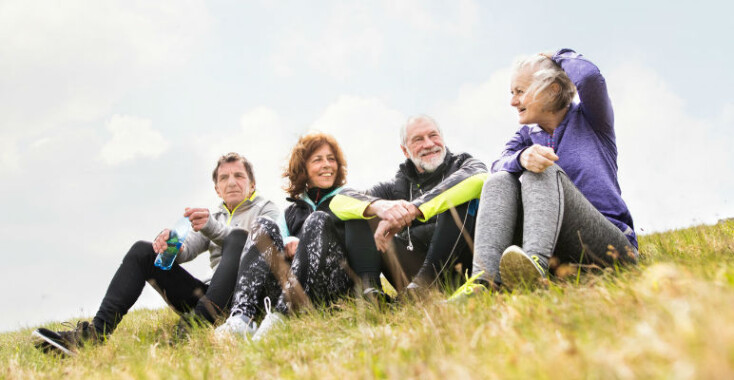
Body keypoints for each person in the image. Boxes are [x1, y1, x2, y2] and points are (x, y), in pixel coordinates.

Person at [32, 152, 279, 355]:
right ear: (217, 188)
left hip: (247, 301)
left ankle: (196, 325)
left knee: (237, 237)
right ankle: (95, 334)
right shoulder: (212, 218)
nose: (232, 182)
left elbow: (258, 244)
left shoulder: (267, 209)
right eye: (224, 178)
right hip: (210, 296)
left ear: (252, 184)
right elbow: (186, 250)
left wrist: (212, 228)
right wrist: (169, 245)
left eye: (239, 175)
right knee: (143, 250)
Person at [470, 48, 638, 292]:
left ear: (552, 89)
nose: (513, 101)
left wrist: (559, 55)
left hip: (610, 246)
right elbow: (498, 164)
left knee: (544, 169)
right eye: (511, 93)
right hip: (561, 252)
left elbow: (590, 78)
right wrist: (521, 157)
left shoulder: (593, 119)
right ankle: (483, 281)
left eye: (520, 92)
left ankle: (535, 267)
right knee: (498, 180)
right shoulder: (526, 136)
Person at [330, 115, 487, 297]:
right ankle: (371, 295)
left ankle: (423, 288)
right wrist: (379, 206)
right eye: (418, 139)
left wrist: (415, 209)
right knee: (360, 209)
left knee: (460, 196)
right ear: (405, 151)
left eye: (433, 135)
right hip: (410, 270)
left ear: (442, 139)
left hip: (459, 267)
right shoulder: (395, 188)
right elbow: (338, 201)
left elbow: (480, 178)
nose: (428, 144)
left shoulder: (464, 164)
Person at [215, 132, 351, 340]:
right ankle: (242, 317)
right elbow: (273, 243)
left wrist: (307, 242)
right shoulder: (290, 213)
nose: (327, 165)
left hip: (333, 286)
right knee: (264, 225)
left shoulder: (348, 198)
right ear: (303, 168)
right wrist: (288, 241)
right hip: (291, 287)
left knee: (318, 220)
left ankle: (281, 318)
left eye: (331, 159)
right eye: (318, 160)